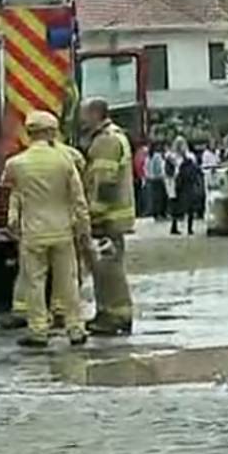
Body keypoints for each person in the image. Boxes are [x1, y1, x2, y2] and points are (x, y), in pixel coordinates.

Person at [3, 111, 92, 348]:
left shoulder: (16, 164)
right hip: (62, 230)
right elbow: (79, 200)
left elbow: (15, 194)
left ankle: (38, 330)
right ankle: (75, 328)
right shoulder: (65, 161)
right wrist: (84, 230)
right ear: (51, 132)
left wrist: (12, 222)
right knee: (68, 282)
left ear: (30, 133)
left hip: (32, 232)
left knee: (35, 282)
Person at [80, 99, 136, 335]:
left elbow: (104, 181)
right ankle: (108, 312)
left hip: (108, 218)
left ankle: (115, 315)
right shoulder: (114, 136)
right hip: (114, 216)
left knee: (108, 268)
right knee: (107, 266)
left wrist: (95, 213)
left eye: (83, 114)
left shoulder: (106, 141)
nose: (81, 119)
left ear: (95, 114)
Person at [147, 143, 167, 220]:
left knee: (154, 198)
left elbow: (146, 167)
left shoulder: (149, 156)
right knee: (161, 197)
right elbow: (160, 168)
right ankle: (160, 213)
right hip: (158, 178)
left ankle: (155, 213)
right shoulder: (157, 156)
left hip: (151, 179)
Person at [132, 142, 149, 218]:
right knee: (143, 195)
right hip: (142, 177)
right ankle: (143, 211)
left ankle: (139, 211)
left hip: (137, 177)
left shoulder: (137, 153)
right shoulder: (142, 153)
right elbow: (140, 166)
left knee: (139, 196)